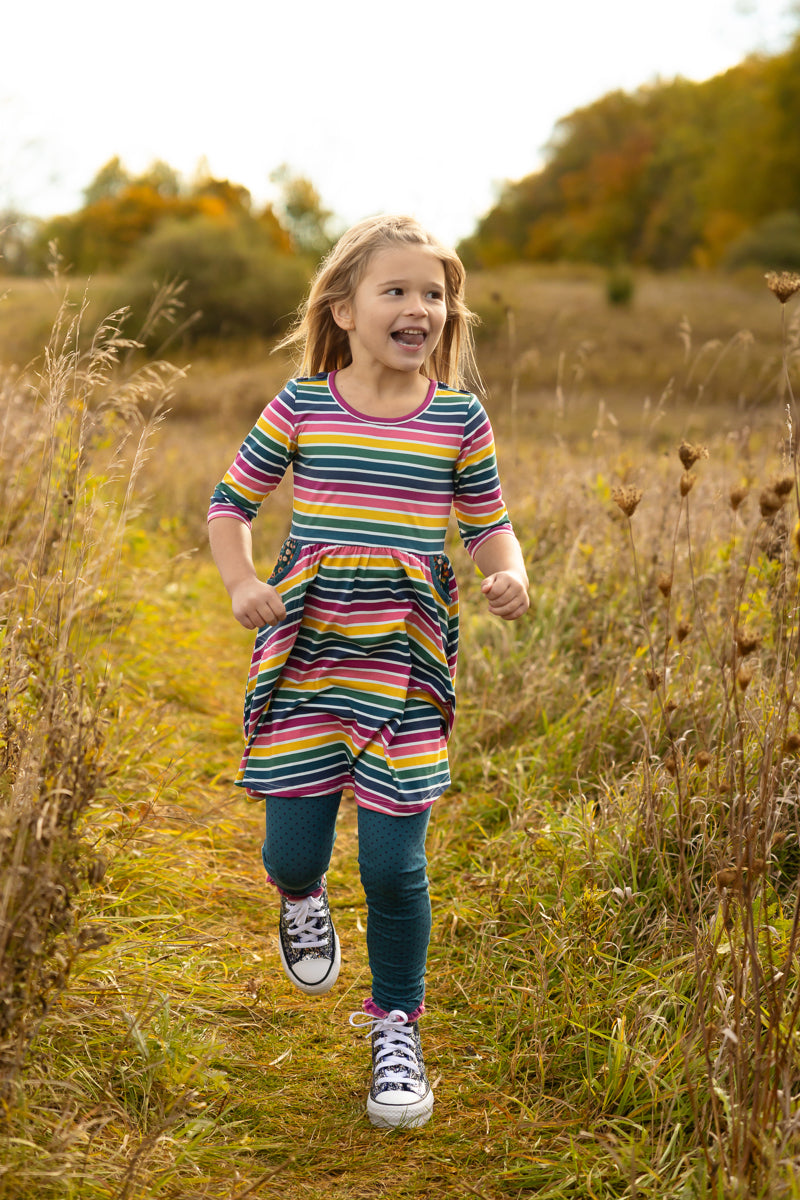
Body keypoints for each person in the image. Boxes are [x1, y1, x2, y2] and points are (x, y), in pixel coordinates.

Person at [207, 215, 529, 1129]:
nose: (421, 308)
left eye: (435, 294)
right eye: (398, 290)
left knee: (394, 867)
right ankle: (302, 899)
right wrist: (240, 583)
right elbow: (230, 505)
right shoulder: (304, 405)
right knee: (290, 852)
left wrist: (509, 573)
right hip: (308, 658)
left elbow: (487, 522)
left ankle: (396, 1024)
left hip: (407, 666)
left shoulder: (459, 418)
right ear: (344, 309)